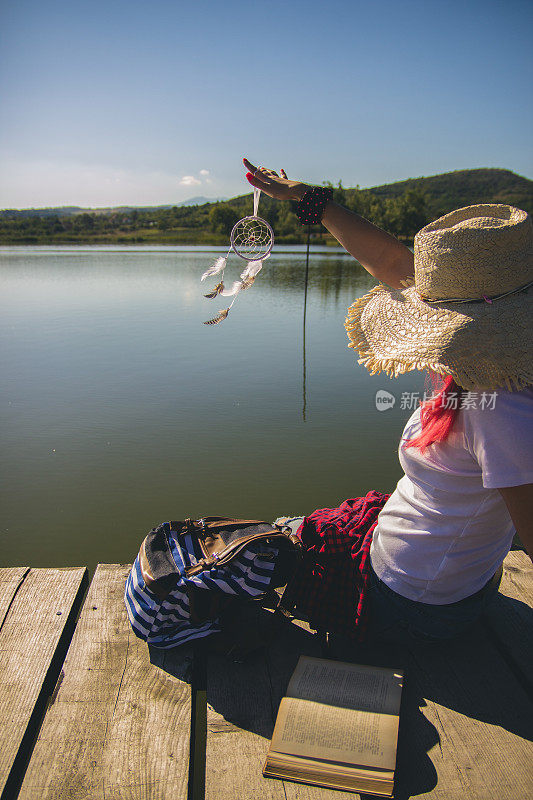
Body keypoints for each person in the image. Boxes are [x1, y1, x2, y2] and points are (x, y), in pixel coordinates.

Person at [243, 158, 533, 643]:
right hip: (448, 583)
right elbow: (396, 264)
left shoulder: (503, 406)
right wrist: (308, 198)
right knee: (327, 523)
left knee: (284, 537)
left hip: (418, 603)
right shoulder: (505, 373)